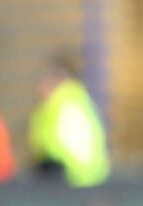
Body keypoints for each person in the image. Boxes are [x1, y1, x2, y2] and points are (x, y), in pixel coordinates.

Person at [27, 56, 110, 187]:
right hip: (87, 178)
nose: (39, 86)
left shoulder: (61, 106)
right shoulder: (78, 101)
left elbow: (58, 146)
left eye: (44, 81)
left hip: (70, 178)